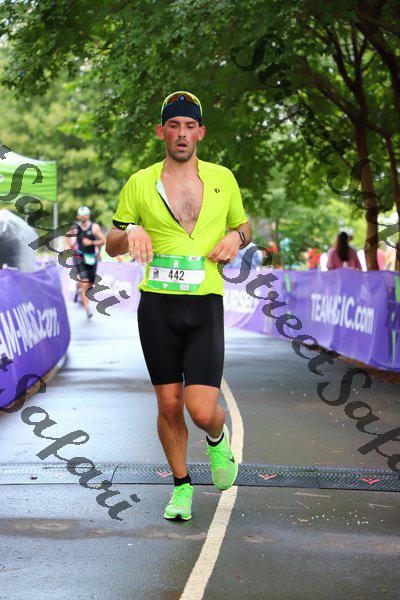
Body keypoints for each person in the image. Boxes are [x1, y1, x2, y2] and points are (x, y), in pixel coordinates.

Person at [106, 91, 251, 521]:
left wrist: (235, 238)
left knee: (201, 409)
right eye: (174, 126)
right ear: (161, 132)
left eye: (189, 126)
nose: (182, 133)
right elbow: (112, 243)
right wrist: (130, 231)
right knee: (168, 404)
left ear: (200, 133)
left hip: (204, 305)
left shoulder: (223, 178)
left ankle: (218, 437)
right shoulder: (140, 182)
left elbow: (244, 226)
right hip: (157, 309)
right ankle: (182, 486)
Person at [64, 206, 106, 318]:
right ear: (78, 216)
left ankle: (79, 289)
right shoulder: (75, 228)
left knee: (90, 284)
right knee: (85, 283)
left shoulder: (94, 227)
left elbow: (103, 240)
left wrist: (92, 243)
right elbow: (66, 237)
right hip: (79, 257)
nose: (83, 217)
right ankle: (87, 309)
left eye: (85, 215)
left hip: (91, 258)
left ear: (88, 216)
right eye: (81, 215)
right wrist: (69, 247)